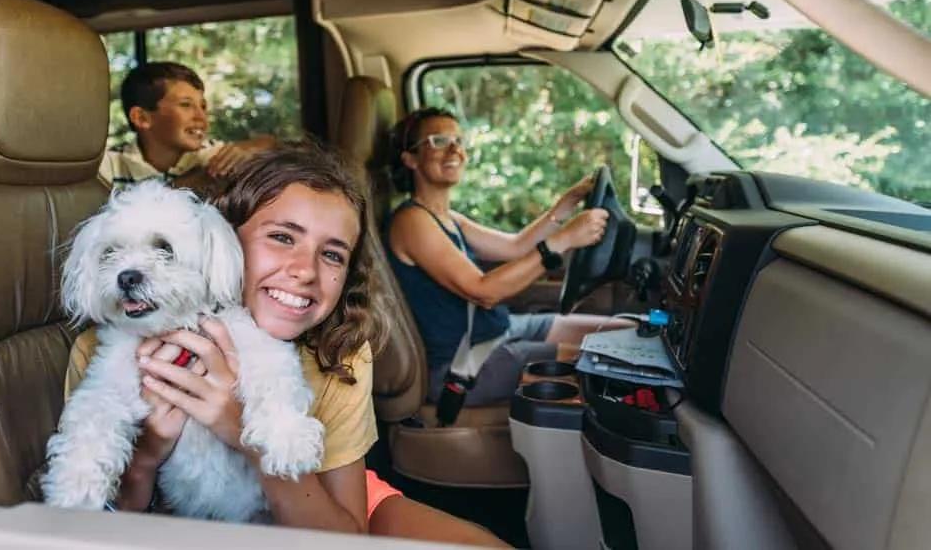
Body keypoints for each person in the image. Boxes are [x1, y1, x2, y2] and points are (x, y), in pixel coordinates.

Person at [66, 144, 508, 546]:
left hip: (323, 496)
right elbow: (102, 525)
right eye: (282, 237)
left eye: (332, 254)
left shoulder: (341, 351)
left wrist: (244, 434)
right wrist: (146, 456)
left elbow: (342, 537)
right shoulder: (109, 347)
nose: (305, 271)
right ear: (226, 237)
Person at [387, 108, 635, 407]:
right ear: (410, 159)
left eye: (458, 141)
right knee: (605, 360)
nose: (454, 150)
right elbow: (484, 291)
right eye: (439, 141)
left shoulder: (447, 217)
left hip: (498, 331)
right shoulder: (411, 221)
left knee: (623, 332)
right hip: (464, 363)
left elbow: (516, 246)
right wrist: (565, 239)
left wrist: (568, 202)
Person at [99, 61, 276, 190]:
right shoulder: (109, 166)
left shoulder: (212, 156)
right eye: (186, 105)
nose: (201, 117)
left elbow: (275, 147)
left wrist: (252, 147)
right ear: (141, 118)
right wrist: (196, 179)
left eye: (203, 106)